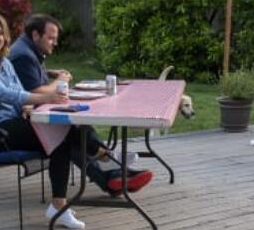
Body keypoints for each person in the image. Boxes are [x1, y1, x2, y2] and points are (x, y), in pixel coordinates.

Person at [8, 12, 151, 194]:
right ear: (36, 35)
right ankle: (109, 162)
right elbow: (33, 90)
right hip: (23, 118)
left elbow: (28, 76)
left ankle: (112, 171)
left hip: (35, 112)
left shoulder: (27, 49)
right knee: (71, 130)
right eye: (51, 38)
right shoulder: (23, 55)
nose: (55, 42)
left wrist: (50, 73)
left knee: (75, 127)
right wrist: (60, 81)